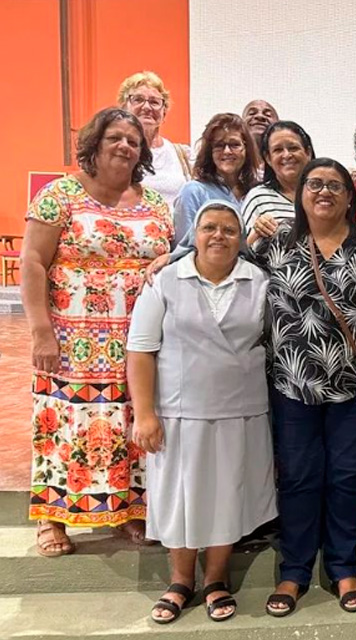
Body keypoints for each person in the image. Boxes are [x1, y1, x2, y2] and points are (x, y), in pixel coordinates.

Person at [253, 158, 356, 616]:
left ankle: (343, 567)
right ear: (300, 193)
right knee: (299, 478)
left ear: (350, 196)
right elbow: (224, 272)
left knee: (348, 477)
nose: (324, 191)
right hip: (292, 385)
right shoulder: (276, 243)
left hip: (355, 387)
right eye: (315, 184)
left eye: (335, 185)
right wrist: (172, 258)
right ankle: (294, 571)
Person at [21, 107, 173, 556]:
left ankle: (128, 511)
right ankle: (52, 516)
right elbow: (32, 262)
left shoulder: (155, 204)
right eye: (115, 138)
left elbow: (171, 255)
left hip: (137, 342)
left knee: (130, 422)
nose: (125, 146)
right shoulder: (59, 196)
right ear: (94, 143)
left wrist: (167, 258)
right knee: (64, 422)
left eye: (133, 141)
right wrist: (40, 331)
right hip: (73, 341)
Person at [128, 201, 277, 623]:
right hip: (178, 411)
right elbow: (140, 349)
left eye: (229, 229)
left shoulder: (259, 282)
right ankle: (180, 579)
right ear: (193, 235)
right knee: (179, 495)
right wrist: (144, 413)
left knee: (227, 494)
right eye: (209, 227)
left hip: (240, 410)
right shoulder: (165, 279)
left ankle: (215, 578)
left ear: (241, 238)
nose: (219, 236)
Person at [172, 113, 258, 247]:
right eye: (219, 145)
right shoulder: (193, 192)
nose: (227, 151)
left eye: (235, 145)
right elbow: (184, 248)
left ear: (246, 149)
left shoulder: (255, 192)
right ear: (209, 151)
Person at [117, 71, 191, 209]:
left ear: (164, 112)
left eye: (154, 102)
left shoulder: (182, 154)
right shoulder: (116, 152)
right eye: (138, 100)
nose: (146, 107)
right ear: (124, 108)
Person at [242, 121, 315, 242]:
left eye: (293, 148)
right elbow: (241, 250)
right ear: (268, 158)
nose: (287, 155)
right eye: (278, 150)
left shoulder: (323, 193)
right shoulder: (258, 198)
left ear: (308, 152)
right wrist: (256, 232)